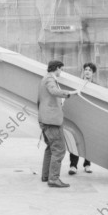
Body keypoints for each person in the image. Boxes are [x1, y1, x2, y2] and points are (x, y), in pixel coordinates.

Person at [38, 60, 75, 188]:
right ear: (57, 68)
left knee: (50, 148)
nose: (61, 72)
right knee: (59, 149)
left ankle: (46, 175)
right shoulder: (50, 79)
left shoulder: (45, 79)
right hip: (51, 120)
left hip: (46, 119)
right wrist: (68, 93)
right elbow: (53, 91)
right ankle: (53, 179)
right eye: (61, 69)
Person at [68, 62, 96, 175]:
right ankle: (73, 166)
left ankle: (87, 164)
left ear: (93, 73)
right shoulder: (77, 84)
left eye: (90, 70)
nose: (87, 71)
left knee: (88, 141)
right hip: (79, 115)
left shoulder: (97, 86)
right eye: (86, 69)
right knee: (75, 141)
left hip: (91, 117)